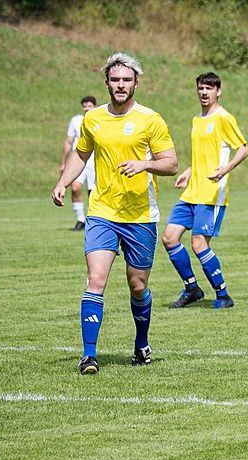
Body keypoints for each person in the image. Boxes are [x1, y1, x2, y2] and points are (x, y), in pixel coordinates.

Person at [52, 52, 178, 375]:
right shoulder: (93, 119)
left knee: (137, 286)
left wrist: (144, 164)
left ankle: (141, 343)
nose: (121, 85)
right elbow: (81, 154)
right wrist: (63, 182)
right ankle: (89, 356)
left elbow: (171, 163)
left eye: (126, 80)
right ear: (106, 83)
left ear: (136, 83)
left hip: (140, 215)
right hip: (102, 212)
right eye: (115, 79)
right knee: (96, 279)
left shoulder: (151, 119)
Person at [163, 72, 248, 309]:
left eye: (209, 88)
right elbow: (203, 154)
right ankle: (192, 289)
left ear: (218, 91)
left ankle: (223, 296)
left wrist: (226, 169)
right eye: (201, 88)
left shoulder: (224, 118)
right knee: (169, 238)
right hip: (192, 191)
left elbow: (243, 148)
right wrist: (189, 171)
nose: (204, 92)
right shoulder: (197, 120)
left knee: (199, 243)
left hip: (211, 193)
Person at [59, 95, 98, 231]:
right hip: (78, 159)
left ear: (94, 107)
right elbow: (69, 141)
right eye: (85, 106)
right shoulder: (76, 120)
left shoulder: (98, 120)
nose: (87, 108)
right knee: (75, 188)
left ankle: (92, 219)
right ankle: (80, 219)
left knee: (93, 192)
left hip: (94, 161)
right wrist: (63, 162)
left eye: (90, 106)